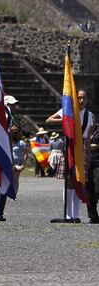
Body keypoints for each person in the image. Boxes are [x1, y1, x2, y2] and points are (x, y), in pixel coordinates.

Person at [47, 89, 93, 221]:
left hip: (82, 148)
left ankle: (76, 214)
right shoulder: (68, 111)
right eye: (79, 98)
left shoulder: (90, 116)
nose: (81, 101)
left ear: (87, 100)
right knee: (69, 181)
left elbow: (89, 137)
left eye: (83, 98)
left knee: (79, 181)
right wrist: (66, 120)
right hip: (69, 147)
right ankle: (68, 214)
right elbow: (49, 120)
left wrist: (88, 154)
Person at [85, 113, 99, 223]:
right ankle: (93, 217)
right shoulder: (83, 130)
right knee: (89, 191)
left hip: (98, 161)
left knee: (97, 189)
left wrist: (97, 146)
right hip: (87, 162)